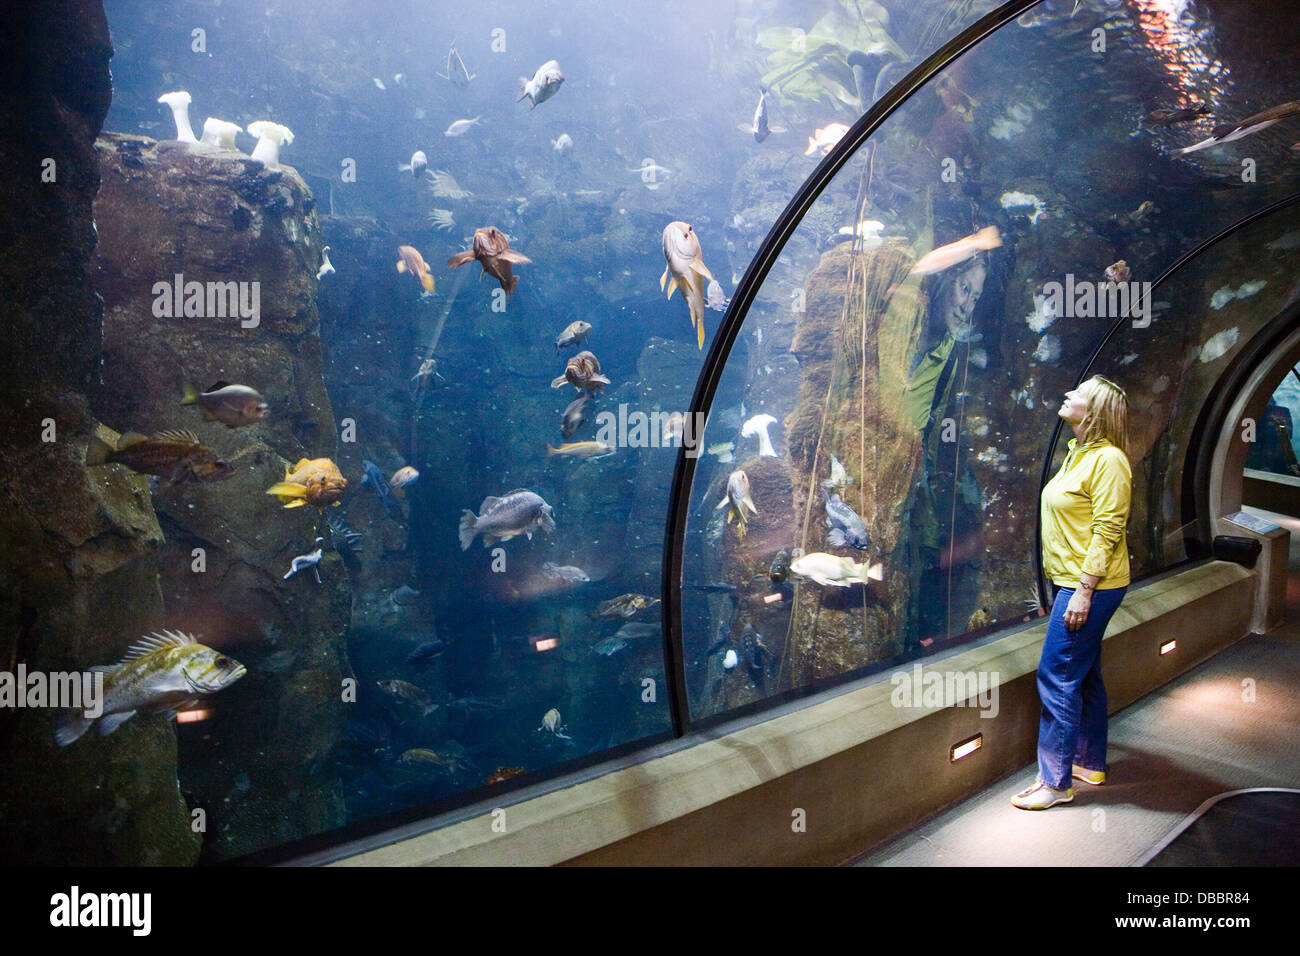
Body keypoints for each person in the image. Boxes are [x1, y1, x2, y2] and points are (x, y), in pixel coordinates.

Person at [1012, 375, 1131, 810]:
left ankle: (1055, 782)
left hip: (1090, 587)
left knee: (1057, 676)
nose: (1066, 395)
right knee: (1085, 674)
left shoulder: (1110, 461)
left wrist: (1083, 591)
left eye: (1076, 395)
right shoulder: (1078, 453)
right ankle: (1087, 761)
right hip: (1073, 582)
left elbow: (1108, 530)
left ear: (1094, 410)